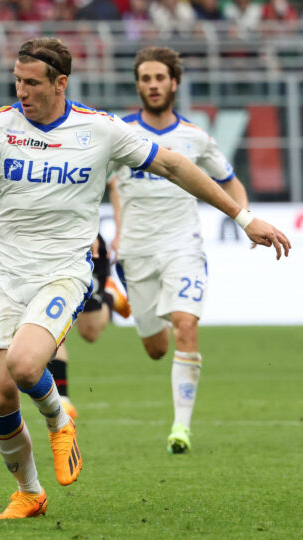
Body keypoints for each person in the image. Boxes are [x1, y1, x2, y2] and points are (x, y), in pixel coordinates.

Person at [0, 37, 290, 519]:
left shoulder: (100, 129)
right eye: (17, 81)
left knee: (25, 366)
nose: (21, 91)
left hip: (63, 271)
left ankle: (59, 418)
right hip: (3, 272)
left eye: (32, 83)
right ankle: (29, 492)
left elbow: (173, 164)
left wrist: (243, 217)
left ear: (61, 83)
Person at [106, 46, 251, 454]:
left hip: (182, 245)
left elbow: (229, 180)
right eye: (145, 79)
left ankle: (180, 429)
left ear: (174, 82)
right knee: (156, 349)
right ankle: (132, 303)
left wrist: (246, 219)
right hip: (135, 252)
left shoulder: (196, 137)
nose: (153, 85)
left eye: (159, 78)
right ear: (137, 84)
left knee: (186, 324)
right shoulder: (118, 134)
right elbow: (105, 183)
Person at [48, 233, 131, 420]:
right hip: (43, 250)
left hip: (82, 246)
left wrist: (92, 233)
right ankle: (62, 399)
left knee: (89, 333)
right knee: (47, 324)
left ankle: (109, 294)